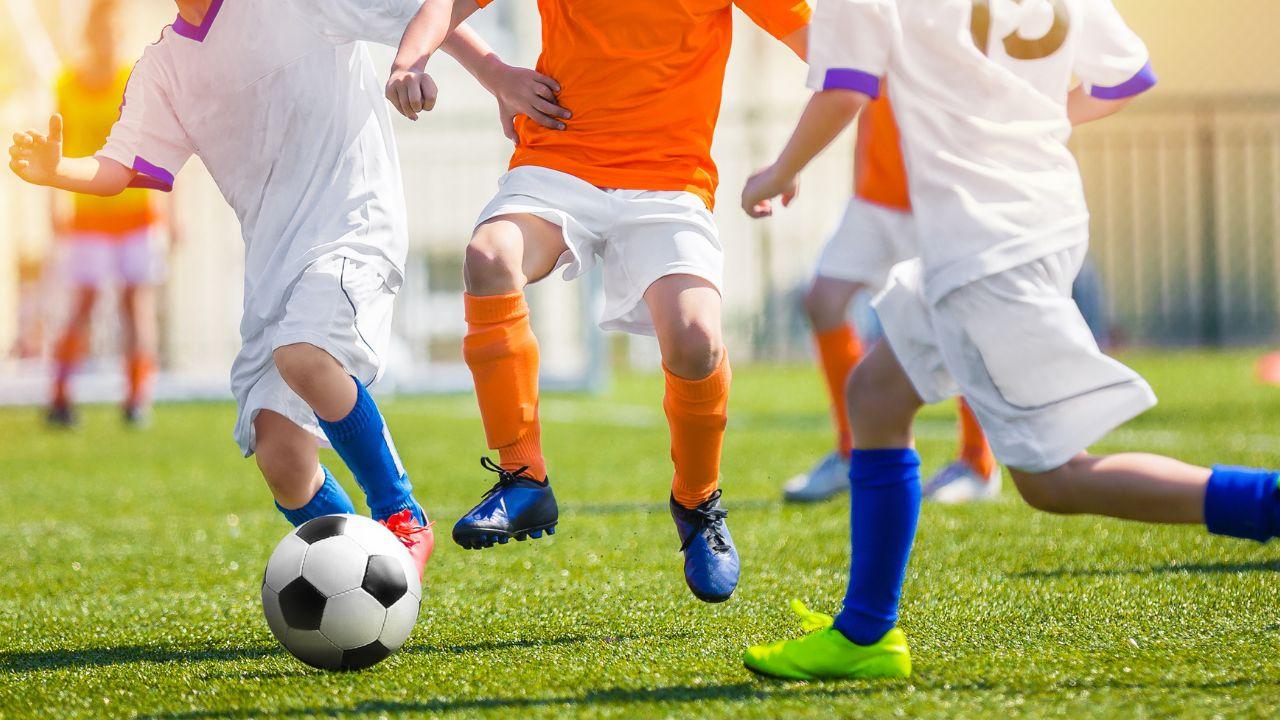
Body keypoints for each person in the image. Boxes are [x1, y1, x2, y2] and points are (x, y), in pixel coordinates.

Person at [738, 0, 1277, 681]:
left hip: (980, 247)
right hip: (1037, 218)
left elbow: (846, 86)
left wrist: (777, 173)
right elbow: (1128, 80)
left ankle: (1272, 504)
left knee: (1055, 480)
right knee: (875, 396)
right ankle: (866, 631)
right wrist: (1026, 124)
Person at [8, 0, 568, 578]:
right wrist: (57, 171)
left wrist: (499, 77)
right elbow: (120, 166)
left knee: (305, 353)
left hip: (354, 221)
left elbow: (421, 15)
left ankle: (401, 516)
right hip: (273, 260)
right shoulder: (164, 68)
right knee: (281, 457)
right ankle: (365, 579)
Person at [388, 0, 809, 603]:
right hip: (558, 162)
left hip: (670, 184)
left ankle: (698, 502)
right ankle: (523, 475)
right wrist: (411, 60)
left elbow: (826, 51)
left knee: (696, 340)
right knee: (489, 256)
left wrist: (794, 158)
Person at [786, 91, 999, 503]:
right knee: (823, 302)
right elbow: (852, 91)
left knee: (961, 315)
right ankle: (854, 451)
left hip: (943, 197)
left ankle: (978, 462)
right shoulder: (873, 24)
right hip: (874, 199)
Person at [46, 0, 171, 428]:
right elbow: (55, 151)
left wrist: (170, 209)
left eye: (116, 31)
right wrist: (53, 205)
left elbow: (158, 145)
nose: (109, 39)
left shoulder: (132, 78)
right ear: (90, 33)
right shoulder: (66, 84)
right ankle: (59, 394)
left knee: (136, 303)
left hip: (137, 211)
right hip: (88, 214)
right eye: (102, 30)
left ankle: (137, 397)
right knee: (82, 302)